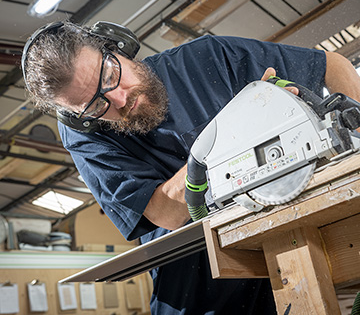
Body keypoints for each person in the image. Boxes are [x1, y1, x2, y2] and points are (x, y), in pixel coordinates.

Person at [22, 20, 360, 314]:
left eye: (110, 76)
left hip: (286, 250)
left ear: (117, 45)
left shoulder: (207, 57)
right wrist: (232, 131)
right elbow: (165, 213)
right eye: (97, 105)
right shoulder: (87, 137)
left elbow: (335, 66)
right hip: (200, 291)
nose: (119, 99)